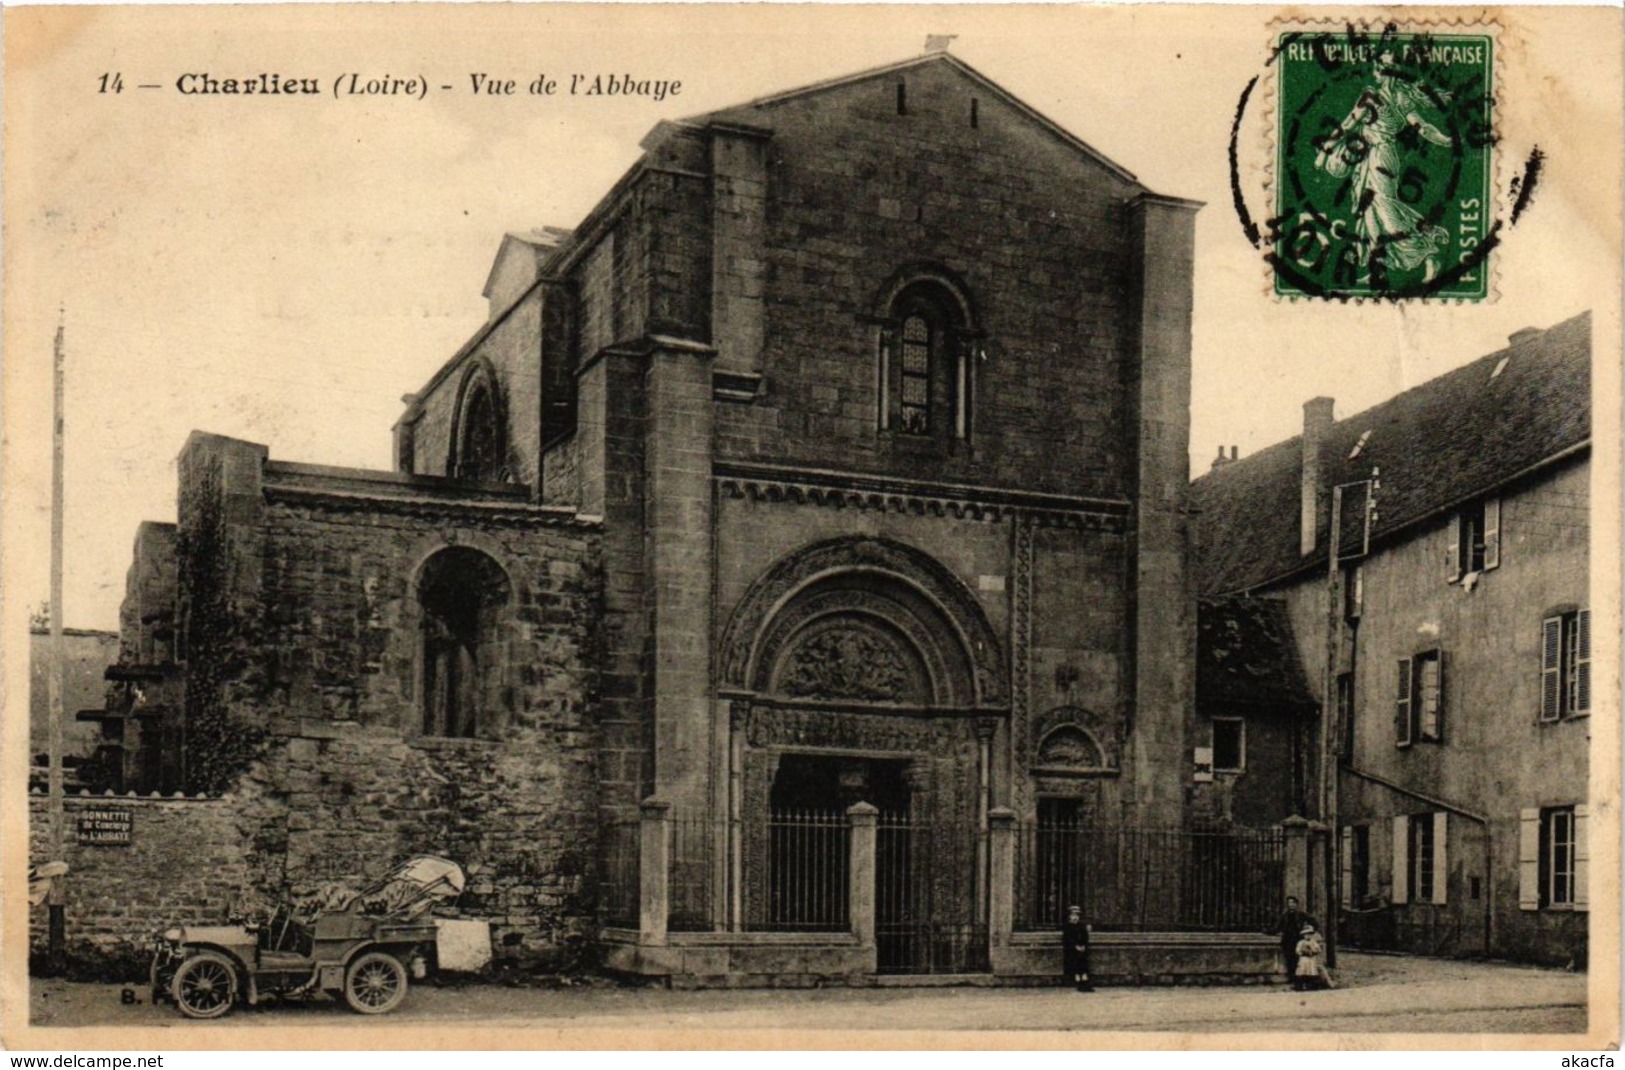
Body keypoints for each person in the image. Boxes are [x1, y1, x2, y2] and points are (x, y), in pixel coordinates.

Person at [1275, 896, 1314, 981]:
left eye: (1293, 903)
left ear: (1296, 904)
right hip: (1287, 940)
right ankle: (1292, 978)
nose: (1291, 905)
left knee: (1298, 960)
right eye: (1289, 903)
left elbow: (1313, 922)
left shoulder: (1301, 914)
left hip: (1298, 939)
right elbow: (1278, 927)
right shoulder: (1285, 916)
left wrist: (1309, 930)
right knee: (1289, 960)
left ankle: (1299, 979)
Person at [1061, 905, 1093, 992]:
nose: (1075, 918)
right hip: (1072, 950)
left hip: (1081, 949)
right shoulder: (1068, 927)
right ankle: (1079, 980)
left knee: (1083, 961)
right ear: (1069, 917)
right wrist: (1075, 946)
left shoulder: (1081, 927)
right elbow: (1067, 940)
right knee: (1075, 961)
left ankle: (1085, 980)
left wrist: (1083, 946)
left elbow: (1085, 938)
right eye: (1073, 915)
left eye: (1076, 916)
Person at [1293, 923, 1326, 992]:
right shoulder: (1301, 942)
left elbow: (1318, 950)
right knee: (1301, 971)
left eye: (1309, 934)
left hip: (1311, 959)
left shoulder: (1313, 942)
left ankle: (1311, 986)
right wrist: (1302, 952)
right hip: (1303, 959)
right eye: (1306, 934)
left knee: (1312, 971)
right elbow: (1297, 950)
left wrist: (1313, 950)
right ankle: (1300, 986)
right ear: (1303, 935)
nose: (1307, 936)